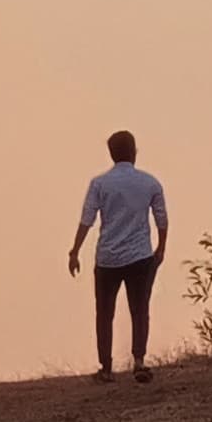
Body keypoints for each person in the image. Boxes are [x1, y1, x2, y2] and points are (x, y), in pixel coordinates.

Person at [66, 129, 169, 383]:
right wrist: (161, 249)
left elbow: (87, 220)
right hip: (140, 256)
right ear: (134, 152)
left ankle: (106, 367)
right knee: (140, 309)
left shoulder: (100, 184)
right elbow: (161, 219)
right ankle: (139, 361)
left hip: (107, 258)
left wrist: (75, 250)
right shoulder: (150, 183)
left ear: (111, 154)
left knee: (104, 312)